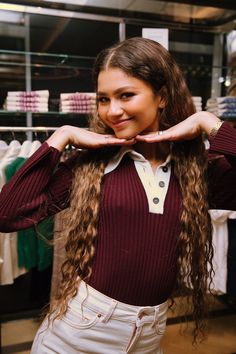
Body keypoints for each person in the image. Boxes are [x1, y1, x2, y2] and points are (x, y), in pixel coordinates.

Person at [0, 37, 236, 354]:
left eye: (126, 95)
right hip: (78, 336)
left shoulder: (196, 171)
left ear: (162, 96)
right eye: (103, 99)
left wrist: (211, 123)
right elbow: (8, 214)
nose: (112, 111)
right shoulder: (91, 164)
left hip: (149, 338)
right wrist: (61, 136)